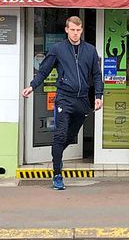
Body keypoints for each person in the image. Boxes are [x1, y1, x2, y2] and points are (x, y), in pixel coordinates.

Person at [21, 16, 103, 190]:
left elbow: (96, 75)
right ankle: (57, 173)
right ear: (66, 30)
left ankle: (56, 154)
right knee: (59, 135)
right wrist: (32, 86)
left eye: (78, 30)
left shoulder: (90, 50)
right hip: (64, 97)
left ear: (82, 30)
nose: (75, 33)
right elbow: (43, 71)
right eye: (72, 30)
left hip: (82, 100)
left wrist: (98, 95)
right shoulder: (58, 49)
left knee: (69, 136)